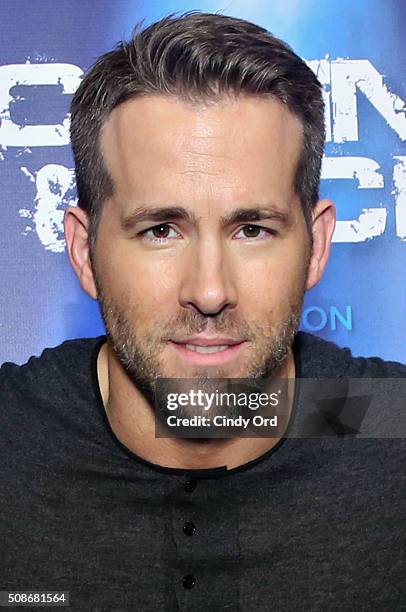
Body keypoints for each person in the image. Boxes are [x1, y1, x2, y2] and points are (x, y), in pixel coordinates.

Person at [1, 11, 405, 611]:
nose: (210, 292)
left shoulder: (385, 425)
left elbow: (355, 419)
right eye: (162, 229)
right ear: (85, 252)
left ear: (317, 246)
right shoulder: (14, 437)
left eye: (253, 229)